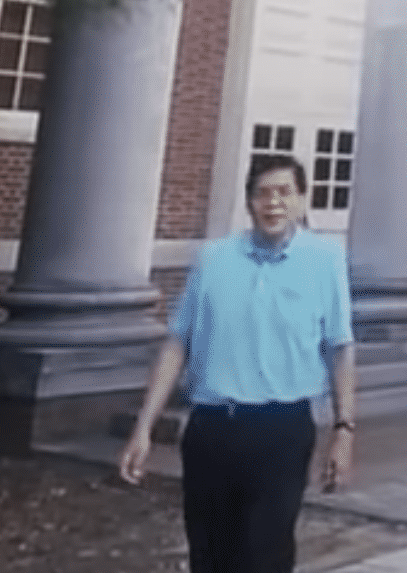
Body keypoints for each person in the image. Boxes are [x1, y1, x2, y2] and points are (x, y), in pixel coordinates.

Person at [118, 153, 359, 573]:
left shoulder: (325, 260)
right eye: (263, 193)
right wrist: (143, 428)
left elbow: (340, 348)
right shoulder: (213, 260)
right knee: (210, 555)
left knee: (265, 556)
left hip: (281, 429)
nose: (274, 203)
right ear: (249, 202)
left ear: (302, 201)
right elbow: (177, 344)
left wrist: (344, 429)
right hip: (212, 428)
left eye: (285, 192)